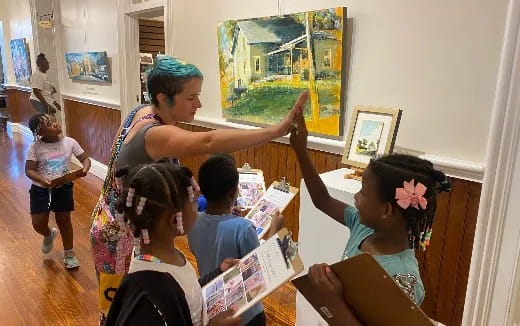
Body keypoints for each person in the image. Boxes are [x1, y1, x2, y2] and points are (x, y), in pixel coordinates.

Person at [90, 55, 308, 320]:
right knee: (123, 311)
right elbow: (208, 141)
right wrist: (277, 131)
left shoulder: (142, 111)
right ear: (162, 98)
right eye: (191, 97)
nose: (199, 104)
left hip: (124, 223)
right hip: (119, 235)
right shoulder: (156, 133)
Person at [289, 112, 451, 319]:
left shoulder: (402, 278)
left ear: (386, 211)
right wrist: (301, 153)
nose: (355, 197)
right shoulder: (362, 227)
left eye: (363, 192)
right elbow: (323, 200)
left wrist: (334, 303)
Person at [105, 161, 241, 326]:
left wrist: (218, 272)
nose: (197, 204)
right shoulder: (148, 297)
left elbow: (184, 294)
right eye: (192, 200)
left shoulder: (163, 257)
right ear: (174, 220)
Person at [188, 154, 284, 326]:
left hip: (214, 307)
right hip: (245, 314)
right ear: (233, 192)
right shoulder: (244, 227)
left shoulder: (193, 222)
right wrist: (275, 228)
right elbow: (260, 269)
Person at [25, 113, 91, 268]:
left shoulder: (70, 142)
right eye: (49, 124)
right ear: (39, 132)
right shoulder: (35, 147)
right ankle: (48, 234)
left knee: (65, 221)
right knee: (38, 224)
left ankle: (69, 254)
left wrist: (85, 169)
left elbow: (85, 159)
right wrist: (42, 180)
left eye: (54, 120)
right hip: (40, 190)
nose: (55, 124)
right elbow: (29, 170)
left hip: (63, 188)